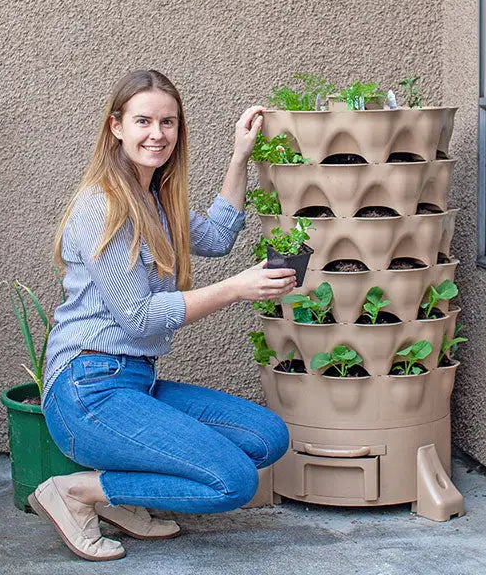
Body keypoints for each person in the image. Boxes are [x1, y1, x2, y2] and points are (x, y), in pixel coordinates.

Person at [29, 69, 297, 561]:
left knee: (266, 437)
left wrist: (240, 156)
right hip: (86, 390)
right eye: (144, 121)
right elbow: (139, 317)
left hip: (134, 382)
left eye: (168, 123)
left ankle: (118, 498)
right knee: (233, 483)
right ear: (116, 126)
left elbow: (217, 236)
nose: (158, 134)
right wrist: (237, 289)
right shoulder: (103, 206)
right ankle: (77, 493)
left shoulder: (155, 198)